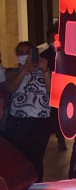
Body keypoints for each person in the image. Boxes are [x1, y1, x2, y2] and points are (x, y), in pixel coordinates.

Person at [4, 41, 52, 182]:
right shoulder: (12, 72)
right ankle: (23, 186)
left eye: (28, 52)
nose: (25, 55)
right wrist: (25, 69)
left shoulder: (45, 71)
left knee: (37, 157)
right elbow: (10, 88)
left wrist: (45, 70)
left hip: (42, 121)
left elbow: (52, 92)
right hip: (19, 121)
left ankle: (37, 186)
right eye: (21, 52)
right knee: (22, 157)